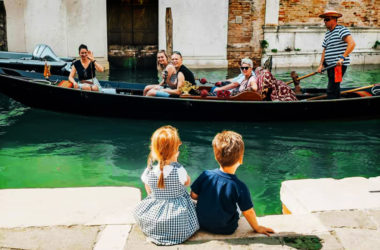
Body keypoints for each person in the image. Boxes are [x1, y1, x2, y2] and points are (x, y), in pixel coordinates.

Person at [190, 130, 274, 236]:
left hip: (201, 223)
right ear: (241, 159)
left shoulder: (205, 175)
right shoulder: (239, 186)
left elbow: (193, 195)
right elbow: (248, 212)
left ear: (216, 157)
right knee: (239, 207)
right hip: (226, 229)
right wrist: (257, 227)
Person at [133, 125, 199, 245]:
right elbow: (187, 182)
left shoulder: (150, 169)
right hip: (177, 218)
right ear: (175, 151)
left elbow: (149, 192)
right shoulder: (178, 169)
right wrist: (175, 161)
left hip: (155, 217)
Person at [317, 10, 356, 99]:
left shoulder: (341, 30)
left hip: (338, 65)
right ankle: (336, 103)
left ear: (334, 20)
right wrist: (321, 65)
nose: (325, 22)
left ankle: (332, 106)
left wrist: (342, 58)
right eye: (324, 20)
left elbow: (352, 44)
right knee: (333, 86)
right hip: (329, 65)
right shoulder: (327, 33)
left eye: (327, 19)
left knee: (332, 88)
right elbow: (325, 50)